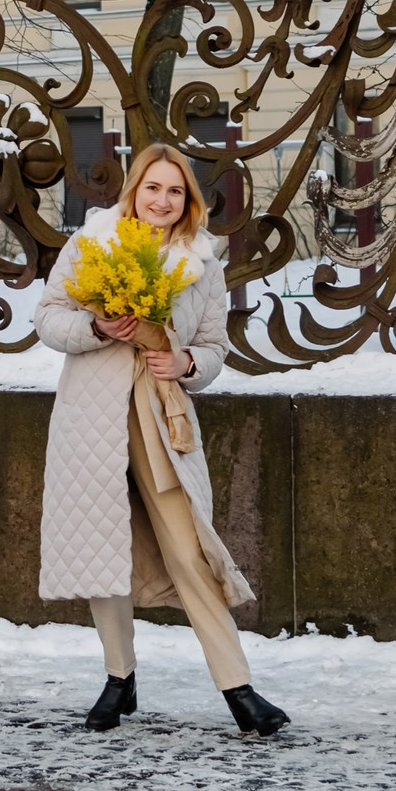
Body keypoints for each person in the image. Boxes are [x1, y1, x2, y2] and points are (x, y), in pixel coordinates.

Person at [35, 143, 289, 736]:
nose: (162, 200)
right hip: (90, 417)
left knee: (189, 547)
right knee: (103, 547)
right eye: (153, 188)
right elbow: (48, 316)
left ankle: (238, 687)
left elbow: (214, 348)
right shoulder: (93, 244)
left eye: (175, 192)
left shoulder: (203, 263)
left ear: (188, 202)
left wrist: (187, 363)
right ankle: (118, 679)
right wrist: (98, 326)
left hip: (160, 418)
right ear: (133, 191)